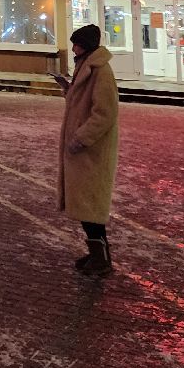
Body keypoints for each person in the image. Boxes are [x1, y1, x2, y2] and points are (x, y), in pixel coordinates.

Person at [56, 23, 119, 277]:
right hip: (83, 153)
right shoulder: (86, 67)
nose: (73, 48)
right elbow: (84, 102)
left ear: (87, 46)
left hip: (91, 153)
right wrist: (68, 90)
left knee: (91, 207)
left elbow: (104, 113)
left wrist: (80, 138)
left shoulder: (100, 71)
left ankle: (101, 259)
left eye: (77, 44)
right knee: (86, 207)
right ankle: (96, 254)